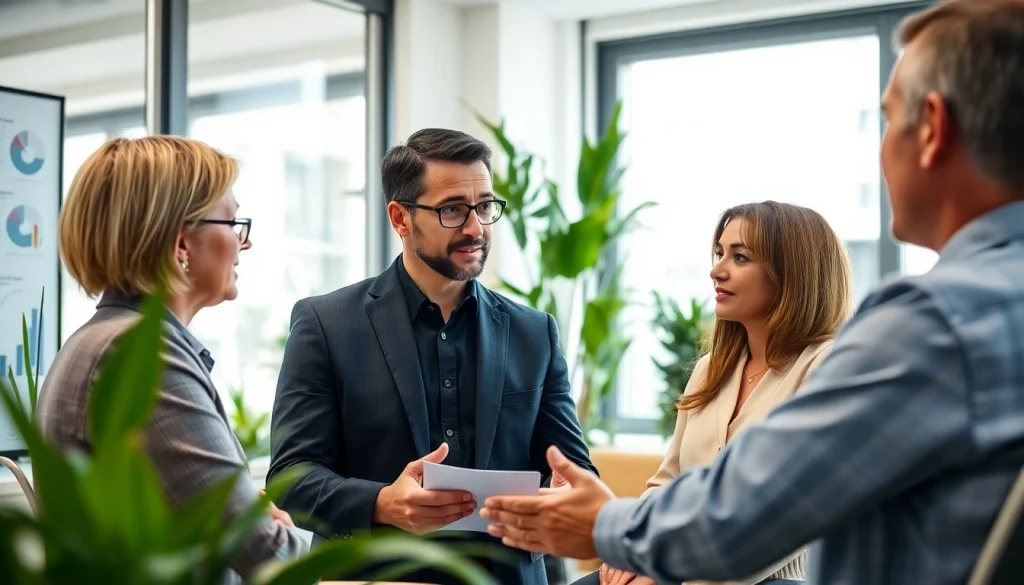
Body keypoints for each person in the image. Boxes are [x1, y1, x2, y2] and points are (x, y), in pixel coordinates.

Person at [479, 1, 1024, 584]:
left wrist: (605, 527)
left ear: (933, 129)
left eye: (888, 119)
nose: (719, 270)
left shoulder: (931, 323)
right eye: (719, 254)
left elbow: (742, 520)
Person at [268, 127, 595, 585]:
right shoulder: (326, 323)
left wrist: (563, 491)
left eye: (485, 207)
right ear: (400, 218)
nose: (476, 227)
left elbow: (573, 470)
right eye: (453, 210)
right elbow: (290, 478)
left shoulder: (533, 331)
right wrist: (382, 503)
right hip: (375, 578)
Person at [37, 136, 305, 581]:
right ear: (182, 244)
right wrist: (286, 533)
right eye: (232, 222)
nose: (244, 243)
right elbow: (265, 550)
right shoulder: (142, 357)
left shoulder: (114, 340)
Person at [580, 201, 852, 585]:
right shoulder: (713, 368)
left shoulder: (827, 369)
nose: (716, 270)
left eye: (740, 257)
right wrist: (632, 551)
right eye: (719, 253)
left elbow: (790, 518)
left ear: (792, 273)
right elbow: (668, 482)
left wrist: (672, 570)